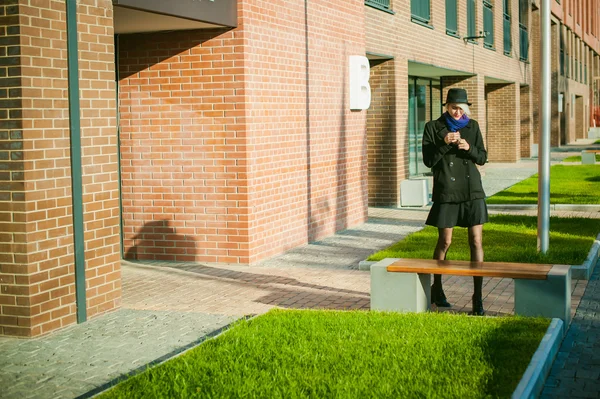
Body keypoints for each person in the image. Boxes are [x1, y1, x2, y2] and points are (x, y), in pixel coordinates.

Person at [421, 88, 488, 316]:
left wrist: (469, 148)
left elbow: (483, 157)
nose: (457, 112)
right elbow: (429, 161)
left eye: (461, 108)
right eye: (453, 108)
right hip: (447, 191)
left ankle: (477, 296)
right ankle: (437, 289)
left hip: (472, 191)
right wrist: (443, 142)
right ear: (446, 106)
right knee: (445, 242)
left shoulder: (473, 126)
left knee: (476, 241)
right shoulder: (433, 127)